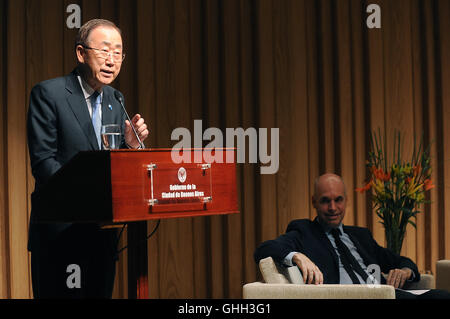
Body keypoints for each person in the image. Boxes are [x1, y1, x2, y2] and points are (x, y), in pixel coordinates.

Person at [27, 19, 149, 298]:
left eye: (118, 53)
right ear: (81, 53)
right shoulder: (49, 94)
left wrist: (130, 146)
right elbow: (44, 163)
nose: (111, 60)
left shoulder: (115, 100)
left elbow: (113, 166)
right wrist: (93, 198)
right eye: (104, 50)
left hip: (102, 237)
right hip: (62, 236)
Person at [254, 173, 450, 299]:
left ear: (346, 201)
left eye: (338, 200)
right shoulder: (304, 231)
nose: (332, 208)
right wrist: (296, 255)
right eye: (325, 201)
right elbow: (263, 249)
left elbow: (401, 260)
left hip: (384, 293)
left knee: (442, 295)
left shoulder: (360, 235)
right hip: (354, 296)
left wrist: (405, 271)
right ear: (314, 202)